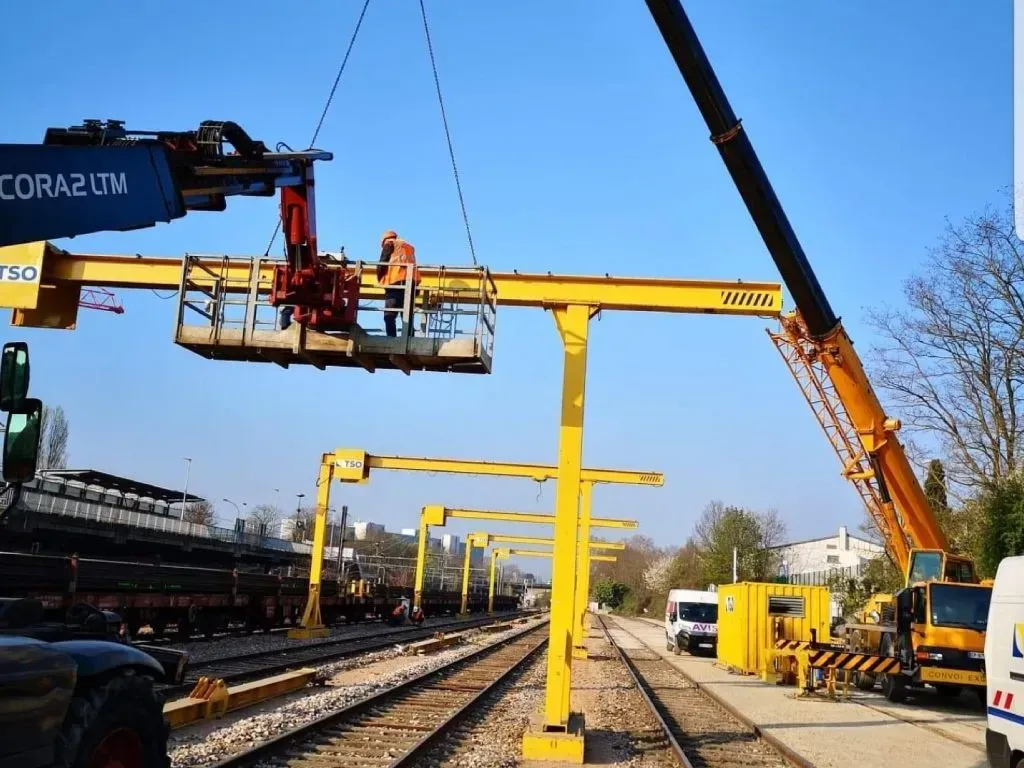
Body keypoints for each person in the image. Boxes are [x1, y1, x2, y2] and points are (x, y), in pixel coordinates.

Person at [377, 230, 421, 337]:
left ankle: (391, 339)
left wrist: (379, 277)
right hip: (411, 285)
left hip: (395, 284)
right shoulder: (408, 247)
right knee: (407, 316)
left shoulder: (390, 244)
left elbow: (382, 262)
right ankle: (410, 339)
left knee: (389, 316)